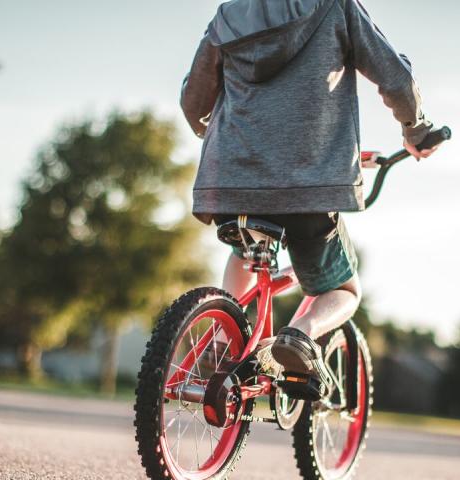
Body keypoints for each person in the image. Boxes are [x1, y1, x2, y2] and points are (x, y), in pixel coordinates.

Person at [180, 0, 437, 386]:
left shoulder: (229, 16)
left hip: (232, 180)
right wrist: (416, 131)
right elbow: (395, 78)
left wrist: (231, 139)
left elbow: (193, 102)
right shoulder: (336, 7)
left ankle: (220, 336)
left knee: (244, 250)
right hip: (307, 186)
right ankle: (299, 334)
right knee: (346, 290)